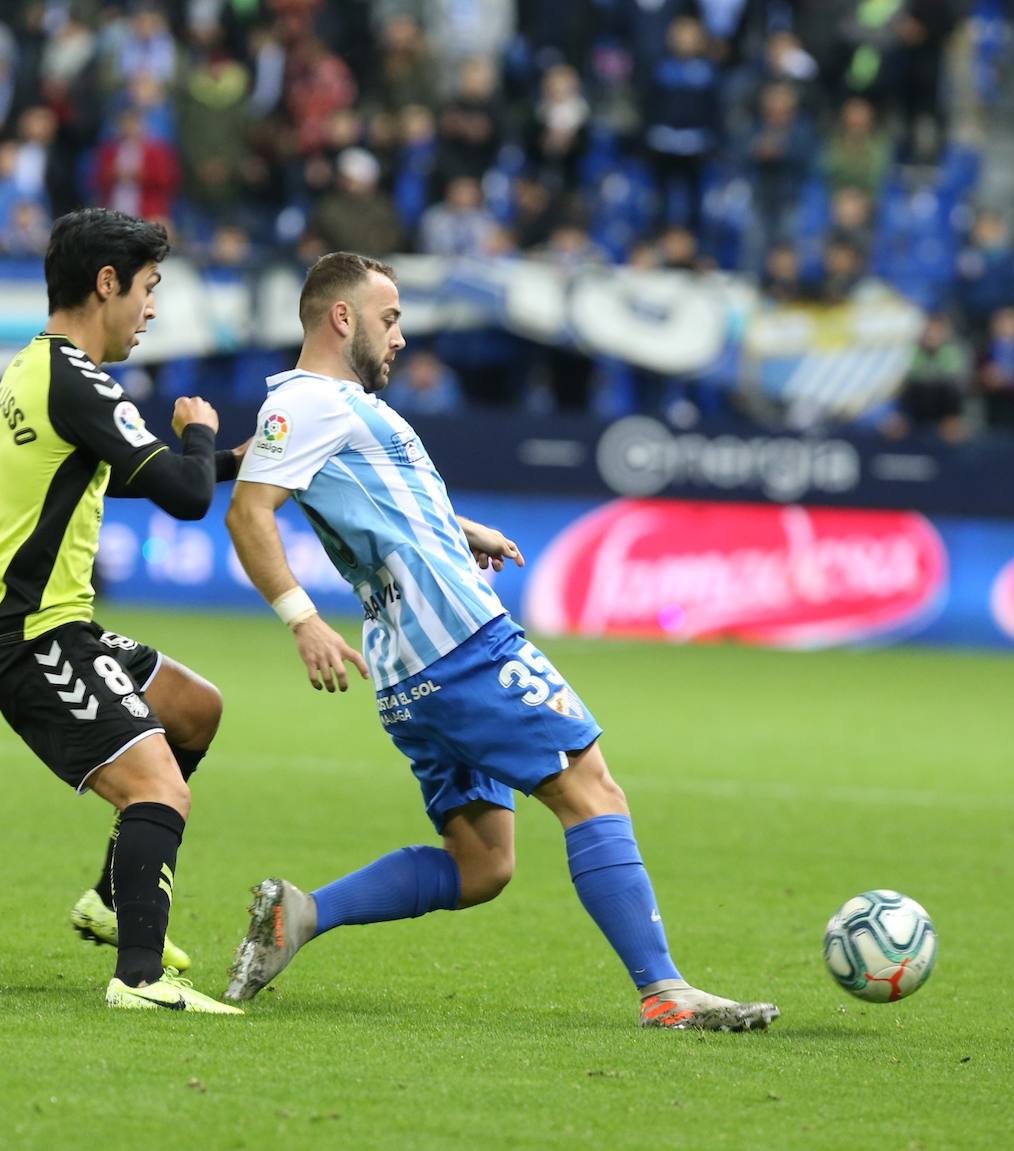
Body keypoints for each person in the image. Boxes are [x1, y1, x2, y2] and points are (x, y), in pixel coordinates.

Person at [222, 252, 780, 1031]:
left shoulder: (322, 410)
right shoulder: (316, 404)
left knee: (483, 863)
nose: (402, 337)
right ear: (340, 318)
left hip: (410, 672)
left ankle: (303, 914)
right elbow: (249, 513)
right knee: (592, 791)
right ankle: (665, 991)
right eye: (390, 319)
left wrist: (457, 529)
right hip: (463, 646)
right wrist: (300, 617)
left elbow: (376, 504)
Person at [0, 208, 244, 1014]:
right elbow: (183, 496)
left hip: (55, 624)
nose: (151, 309)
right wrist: (197, 434)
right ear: (107, 283)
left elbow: (113, 475)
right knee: (159, 788)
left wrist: (225, 461)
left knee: (194, 709)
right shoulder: (78, 378)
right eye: (149, 289)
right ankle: (140, 977)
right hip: (30, 635)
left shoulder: (31, 369)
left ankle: (112, 899)